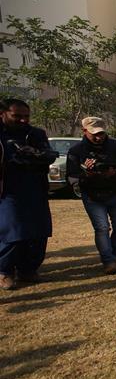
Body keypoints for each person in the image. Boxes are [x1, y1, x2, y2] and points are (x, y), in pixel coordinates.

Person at [0, 99, 56, 290]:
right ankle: (4, 271)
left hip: (35, 188)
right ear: (3, 114)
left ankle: (28, 270)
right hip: (7, 191)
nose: (23, 120)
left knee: (39, 232)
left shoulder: (36, 134)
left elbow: (48, 154)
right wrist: (12, 159)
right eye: (17, 116)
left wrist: (37, 156)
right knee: (14, 231)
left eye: (26, 116)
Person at [66, 117, 116, 274]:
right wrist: (86, 174)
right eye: (94, 134)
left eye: (101, 133)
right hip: (92, 195)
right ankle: (108, 261)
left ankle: (114, 256)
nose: (98, 137)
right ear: (84, 131)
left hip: (115, 192)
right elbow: (72, 177)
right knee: (102, 228)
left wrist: (114, 173)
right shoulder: (76, 151)